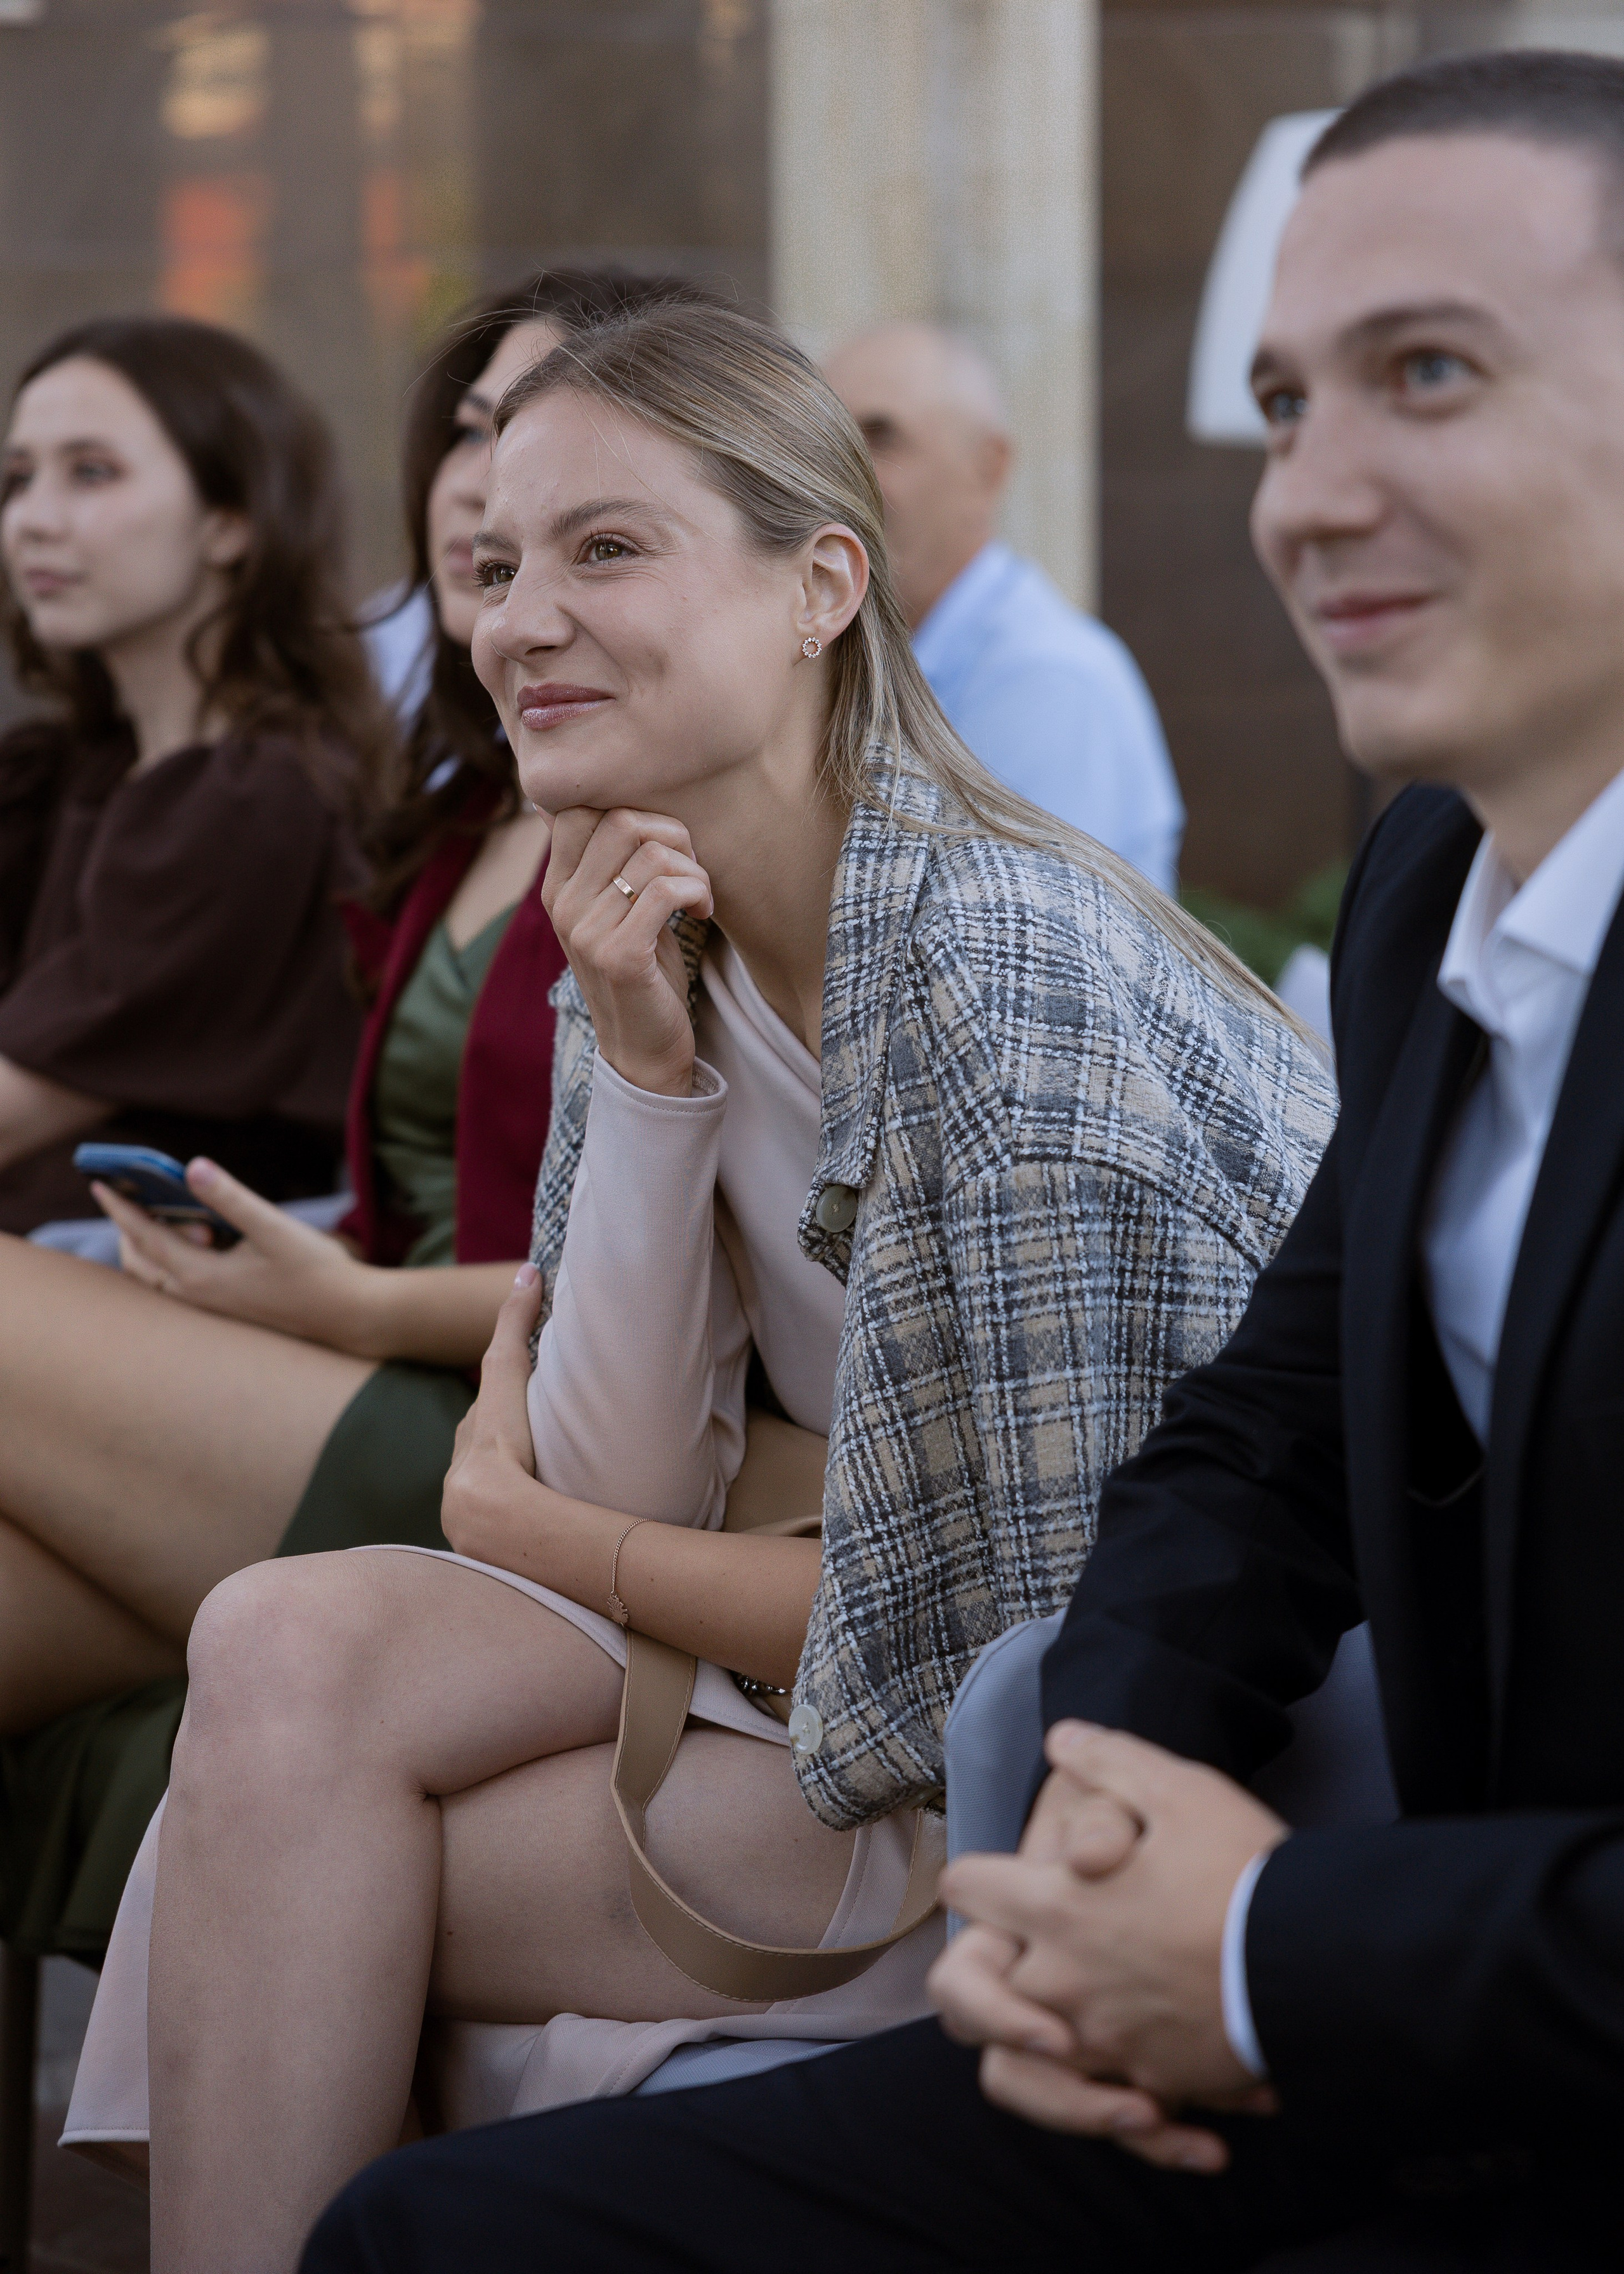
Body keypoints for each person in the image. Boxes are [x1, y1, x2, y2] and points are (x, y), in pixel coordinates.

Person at [301, 48, 1624, 2274]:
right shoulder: (1432, 893)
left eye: (1428, 373)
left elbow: (935, 1579)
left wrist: (1252, 1940)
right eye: (1289, 407)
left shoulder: (1003, 972)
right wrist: (1110, 1785)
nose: (1308, 492)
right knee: (414, 2190)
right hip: (1271, 1913)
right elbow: (1250, 1459)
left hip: (1394, 1966)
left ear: (822, 583)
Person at [66, 299, 1333, 2272]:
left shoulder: (994, 975)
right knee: (279, 1646)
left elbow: (1047, 1642)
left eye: (607, 548)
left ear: (824, 581)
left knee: (271, 1860)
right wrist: (647, 1073)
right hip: (813, 1637)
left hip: (1078, 1765)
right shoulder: (651, 905)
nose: (516, 617)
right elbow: (629, 1467)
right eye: (493, 562)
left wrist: (534, 1529)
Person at [0, 273, 698, 1970]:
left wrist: (354, 1299)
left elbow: (680, 1251)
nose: (484, 476)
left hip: (517, 1432)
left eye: (542, 435)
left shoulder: (694, 817)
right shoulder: (460, 803)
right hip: (350, 1361)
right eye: (467, 434)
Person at [0, 315, 374, 1236]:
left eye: (92, 472)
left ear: (230, 521)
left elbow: (16, 1109)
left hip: (148, 1308)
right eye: (17, 479)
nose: (34, 519)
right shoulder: (67, 772)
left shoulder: (258, 798)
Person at [824, 321, 1184, 891]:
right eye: (827, 444)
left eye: (881, 437)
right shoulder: (889, 657)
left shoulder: (1047, 681)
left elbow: (1018, 962)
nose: (842, 478)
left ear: (987, 468)